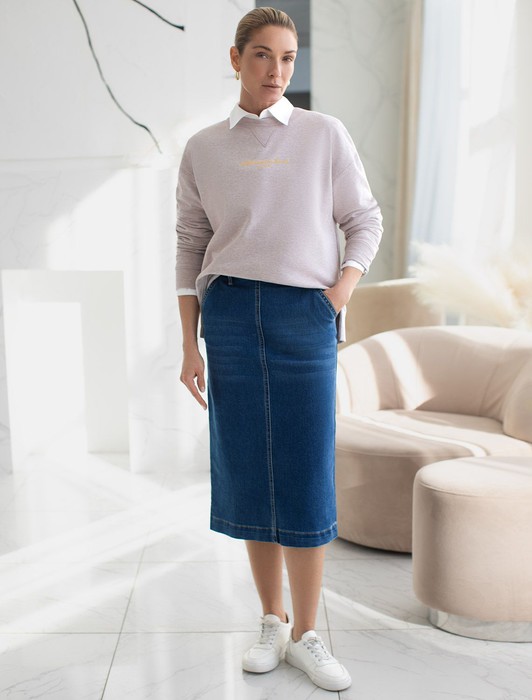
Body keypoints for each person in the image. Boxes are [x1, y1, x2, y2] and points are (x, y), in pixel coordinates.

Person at [175, 7, 382, 693]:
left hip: (305, 314)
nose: (276, 70)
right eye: (263, 55)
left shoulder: (323, 134)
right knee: (248, 472)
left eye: (288, 58)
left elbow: (364, 219)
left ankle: (309, 634)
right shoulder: (204, 147)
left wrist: (338, 293)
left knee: (305, 472)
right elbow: (190, 244)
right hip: (230, 316)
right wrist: (188, 343)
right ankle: (272, 620)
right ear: (236, 59)